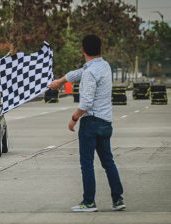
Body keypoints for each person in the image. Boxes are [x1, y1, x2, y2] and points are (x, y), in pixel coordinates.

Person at [48, 34, 125, 212]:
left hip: (91, 123)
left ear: (83, 50)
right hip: (106, 122)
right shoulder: (104, 67)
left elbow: (86, 102)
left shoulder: (90, 72)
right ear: (100, 49)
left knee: (87, 163)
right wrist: (60, 81)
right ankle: (118, 199)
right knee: (108, 162)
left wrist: (74, 118)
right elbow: (78, 73)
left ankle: (89, 202)